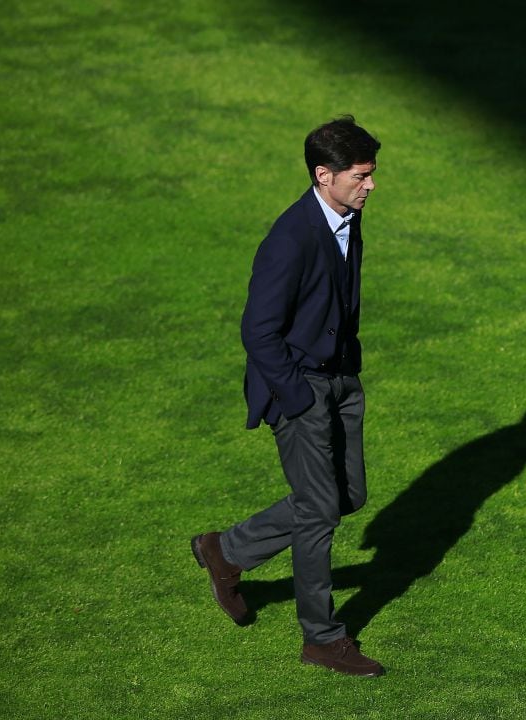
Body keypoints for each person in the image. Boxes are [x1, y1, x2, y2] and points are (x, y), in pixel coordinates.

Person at [192, 116, 384, 677]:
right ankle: (322, 638)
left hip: (340, 381)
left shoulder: (346, 218)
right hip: (300, 388)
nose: (370, 186)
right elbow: (258, 331)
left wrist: (347, 375)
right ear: (324, 175)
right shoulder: (289, 239)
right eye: (361, 176)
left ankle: (226, 552)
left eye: (371, 175)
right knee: (320, 511)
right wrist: (299, 399)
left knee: (347, 496)